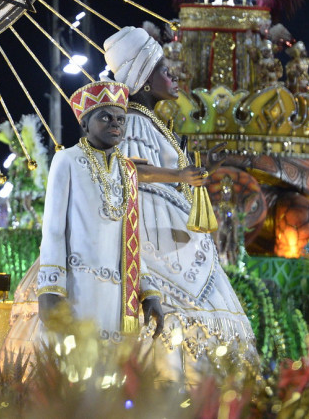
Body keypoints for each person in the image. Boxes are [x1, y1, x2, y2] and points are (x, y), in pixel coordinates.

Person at [104, 26, 257, 379]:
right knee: (177, 330)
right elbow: (134, 172)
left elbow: (171, 173)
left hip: (173, 234)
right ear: (143, 80)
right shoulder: (137, 121)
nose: (170, 73)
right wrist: (181, 177)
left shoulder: (152, 121)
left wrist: (199, 170)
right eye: (160, 67)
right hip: (154, 237)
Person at [37, 81, 165, 346]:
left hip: (117, 298)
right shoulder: (67, 160)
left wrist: (149, 293)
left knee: (113, 375)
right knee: (72, 370)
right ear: (84, 124)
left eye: (121, 119)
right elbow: (52, 230)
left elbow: (132, 238)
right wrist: (49, 290)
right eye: (105, 117)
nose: (115, 124)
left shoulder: (128, 170)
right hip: (76, 291)